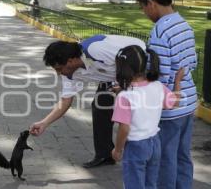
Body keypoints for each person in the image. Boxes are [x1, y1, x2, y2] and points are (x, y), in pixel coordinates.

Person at [29, 35, 146, 168]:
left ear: (71, 60)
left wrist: (126, 85)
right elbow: (65, 101)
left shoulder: (96, 49)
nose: (59, 73)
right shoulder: (69, 74)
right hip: (113, 77)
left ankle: (141, 153)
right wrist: (44, 123)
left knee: (132, 113)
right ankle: (105, 155)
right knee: (100, 106)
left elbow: (136, 55)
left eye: (59, 69)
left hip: (138, 66)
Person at [135, 0, 198, 188]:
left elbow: (158, 76)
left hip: (169, 108)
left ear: (151, 3)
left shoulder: (160, 32)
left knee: (165, 159)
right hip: (188, 101)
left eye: (142, 6)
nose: (144, 12)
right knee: (182, 155)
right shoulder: (184, 24)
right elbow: (192, 63)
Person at [111, 45, 179, 189]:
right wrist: (177, 83)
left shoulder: (125, 97)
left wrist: (117, 149)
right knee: (150, 184)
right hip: (155, 143)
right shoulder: (157, 86)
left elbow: (124, 128)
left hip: (135, 146)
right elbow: (173, 103)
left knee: (134, 184)